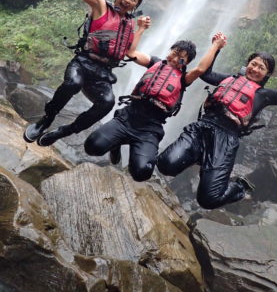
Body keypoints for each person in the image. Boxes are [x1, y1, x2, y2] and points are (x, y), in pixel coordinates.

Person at [157, 49, 277, 209]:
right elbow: (206, 74)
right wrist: (217, 48)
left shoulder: (264, 95)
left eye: (261, 67)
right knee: (165, 165)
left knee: (208, 200)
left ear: (267, 74)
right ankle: (197, 156)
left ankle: (240, 187)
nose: (255, 69)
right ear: (247, 64)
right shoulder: (229, 79)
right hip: (201, 128)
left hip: (226, 140)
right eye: (253, 64)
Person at [23, 0, 151, 146]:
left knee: (107, 103)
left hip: (103, 74)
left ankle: (64, 132)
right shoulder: (101, 6)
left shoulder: (129, 24)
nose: (127, 0)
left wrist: (141, 29)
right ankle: (46, 120)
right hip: (83, 63)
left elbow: (129, 52)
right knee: (73, 83)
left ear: (135, 5)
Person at [84, 33, 227, 182]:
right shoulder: (154, 63)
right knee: (92, 147)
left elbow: (200, 70)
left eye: (182, 59)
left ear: (186, 63)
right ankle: (116, 144)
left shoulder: (184, 79)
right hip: (127, 117)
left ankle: (125, 144)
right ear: (170, 51)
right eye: (175, 53)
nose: (176, 59)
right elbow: (131, 53)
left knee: (142, 173)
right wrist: (141, 29)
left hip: (149, 129)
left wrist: (215, 46)